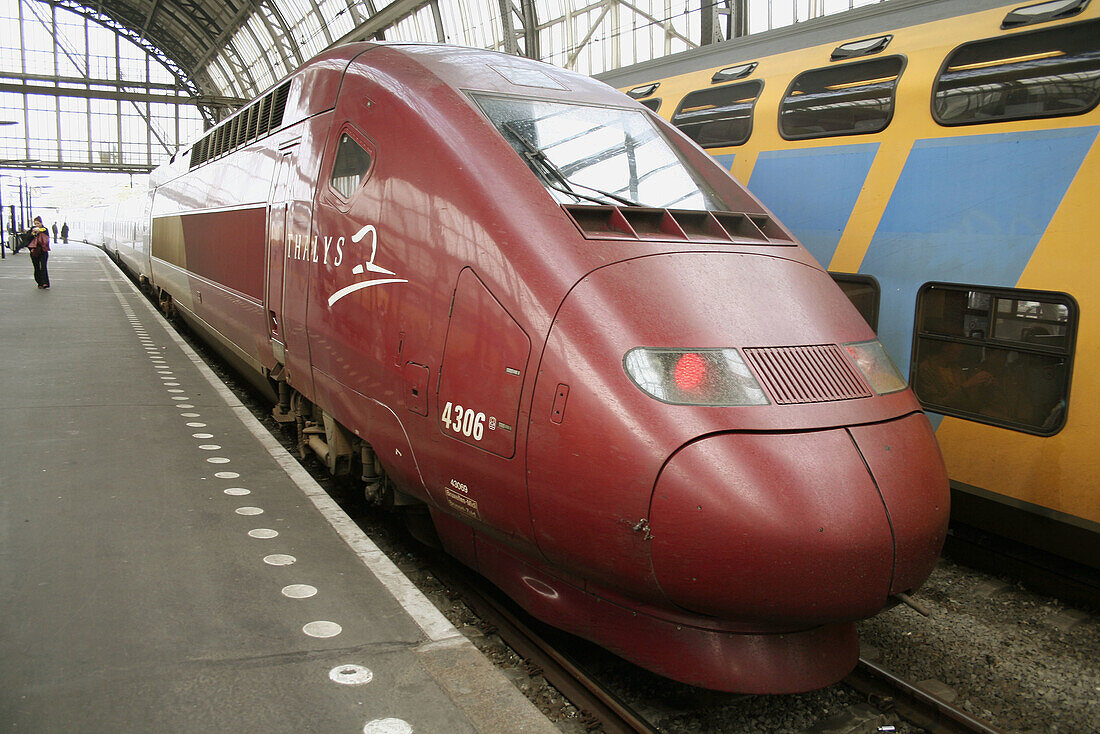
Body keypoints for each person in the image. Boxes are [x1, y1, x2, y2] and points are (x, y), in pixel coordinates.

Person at [28, 215, 50, 289]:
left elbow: (46, 237)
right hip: (34, 251)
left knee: (43, 267)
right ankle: (39, 282)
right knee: (36, 267)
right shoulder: (32, 230)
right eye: (35, 223)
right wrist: (32, 234)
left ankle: (45, 282)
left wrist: (39, 231)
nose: (37, 225)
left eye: (38, 223)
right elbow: (28, 239)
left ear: (41, 223)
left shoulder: (44, 229)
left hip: (43, 251)